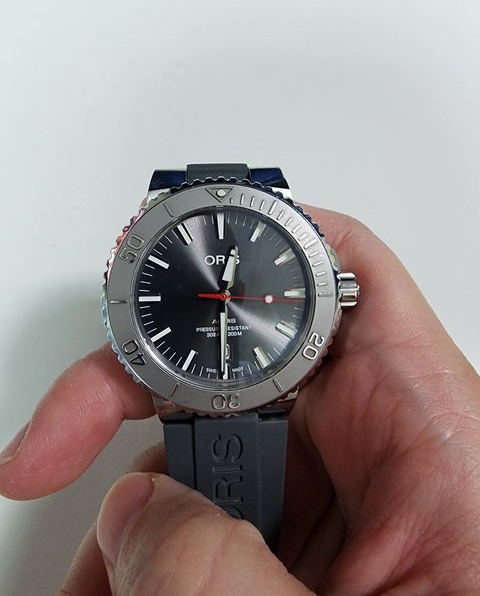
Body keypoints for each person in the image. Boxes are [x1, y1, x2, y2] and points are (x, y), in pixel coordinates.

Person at [1, 207, 479, 596]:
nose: (223, 298)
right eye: (217, 295)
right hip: (204, 381)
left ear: (339, 294)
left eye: (227, 294)